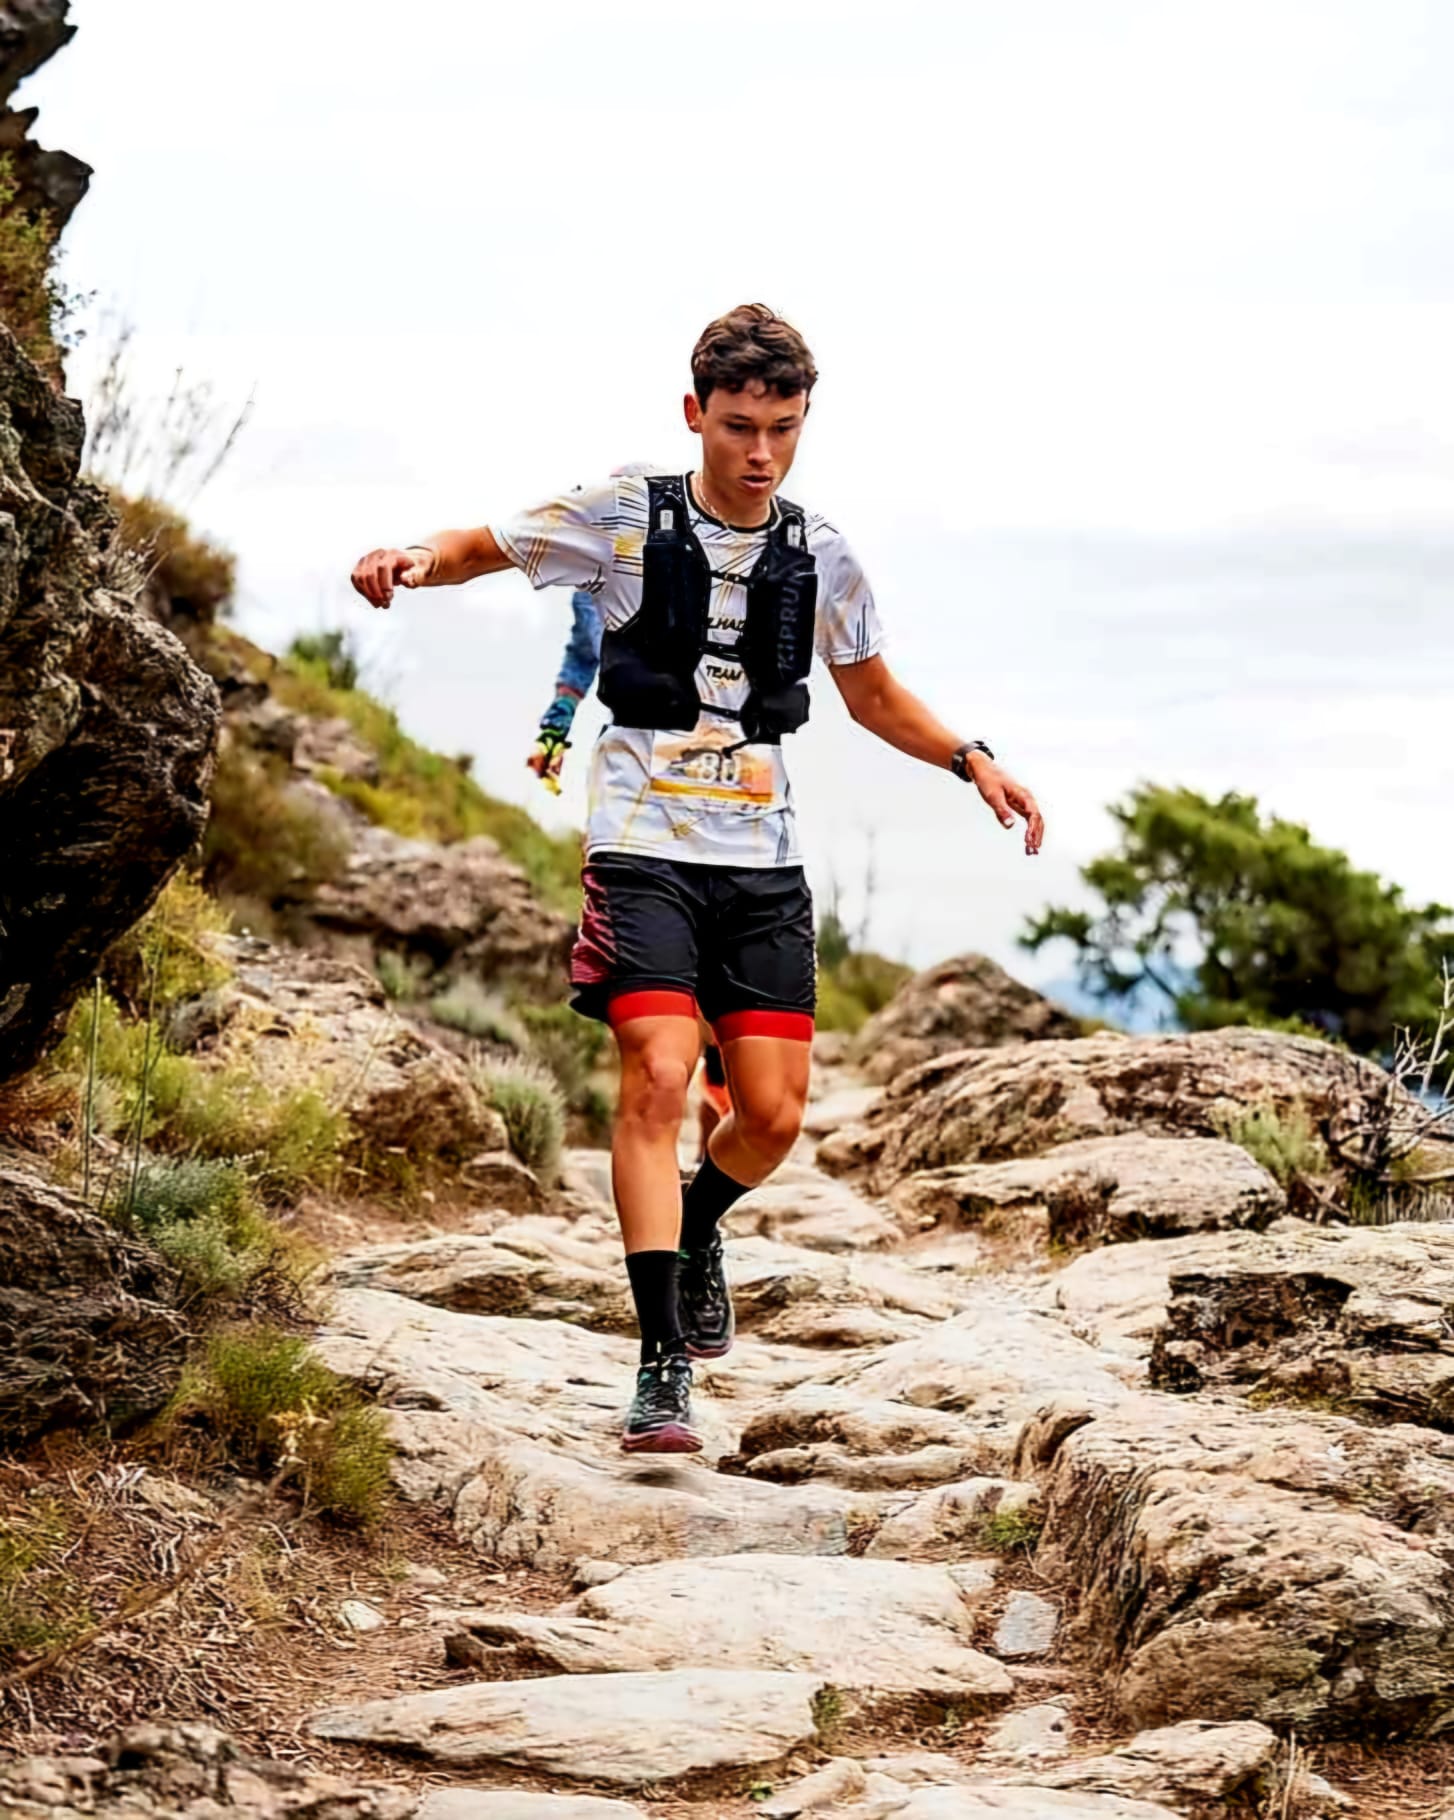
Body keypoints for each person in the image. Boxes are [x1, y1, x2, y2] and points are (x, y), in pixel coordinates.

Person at [350, 303, 1044, 1455]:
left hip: (760, 862)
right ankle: (660, 1358)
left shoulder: (821, 553)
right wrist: (410, 561)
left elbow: (872, 695)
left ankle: (698, 1217)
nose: (759, 452)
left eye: (781, 428)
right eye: (736, 427)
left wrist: (971, 758)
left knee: (769, 1116)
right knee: (660, 1076)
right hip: (642, 848)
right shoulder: (627, 511)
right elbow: (481, 545)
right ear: (694, 413)